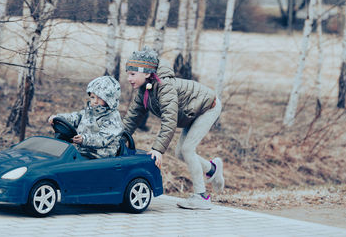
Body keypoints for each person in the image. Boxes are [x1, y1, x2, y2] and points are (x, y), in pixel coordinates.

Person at [122, 46, 224, 210]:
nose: (129, 78)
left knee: (188, 149)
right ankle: (212, 169)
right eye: (128, 73)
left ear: (147, 73)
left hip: (207, 107)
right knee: (180, 153)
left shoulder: (164, 86)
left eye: (133, 74)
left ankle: (202, 197)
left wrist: (157, 149)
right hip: (191, 112)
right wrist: (118, 139)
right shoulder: (145, 90)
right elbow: (132, 117)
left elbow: (170, 120)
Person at [48, 76, 124, 159]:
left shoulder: (112, 119)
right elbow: (75, 117)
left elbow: (103, 139)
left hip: (100, 157)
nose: (95, 101)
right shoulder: (89, 111)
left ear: (110, 99)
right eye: (92, 97)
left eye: (100, 98)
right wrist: (59, 118)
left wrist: (84, 139)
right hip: (82, 152)